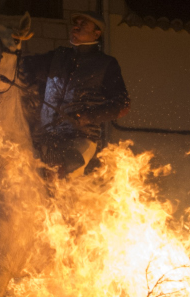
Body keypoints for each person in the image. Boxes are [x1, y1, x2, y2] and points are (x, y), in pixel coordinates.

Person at [20, 13, 130, 177]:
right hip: (44, 137)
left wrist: (86, 116)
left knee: (65, 176)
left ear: (97, 33)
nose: (76, 27)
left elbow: (122, 105)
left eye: (83, 24)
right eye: (76, 23)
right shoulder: (58, 56)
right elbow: (26, 67)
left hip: (79, 138)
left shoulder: (106, 64)